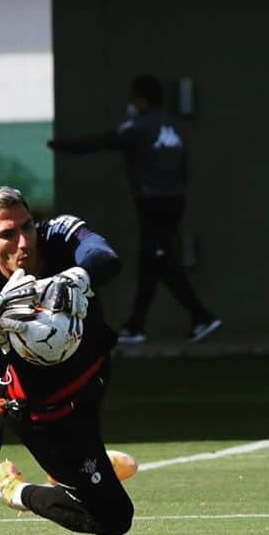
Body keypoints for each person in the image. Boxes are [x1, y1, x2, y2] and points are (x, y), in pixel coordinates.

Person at [0, 185, 133, 535]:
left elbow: (105, 257)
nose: (24, 242)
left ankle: (86, 469)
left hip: (92, 379)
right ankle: (18, 492)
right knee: (113, 519)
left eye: (27, 227)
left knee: (89, 470)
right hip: (49, 419)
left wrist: (75, 276)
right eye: (7, 235)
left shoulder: (56, 234)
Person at [48, 74, 220, 344]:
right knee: (151, 262)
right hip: (174, 202)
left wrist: (62, 147)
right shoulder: (172, 127)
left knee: (160, 261)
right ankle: (135, 326)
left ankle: (201, 316)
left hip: (152, 204)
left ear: (140, 100)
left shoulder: (138, 127)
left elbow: (103, 142)